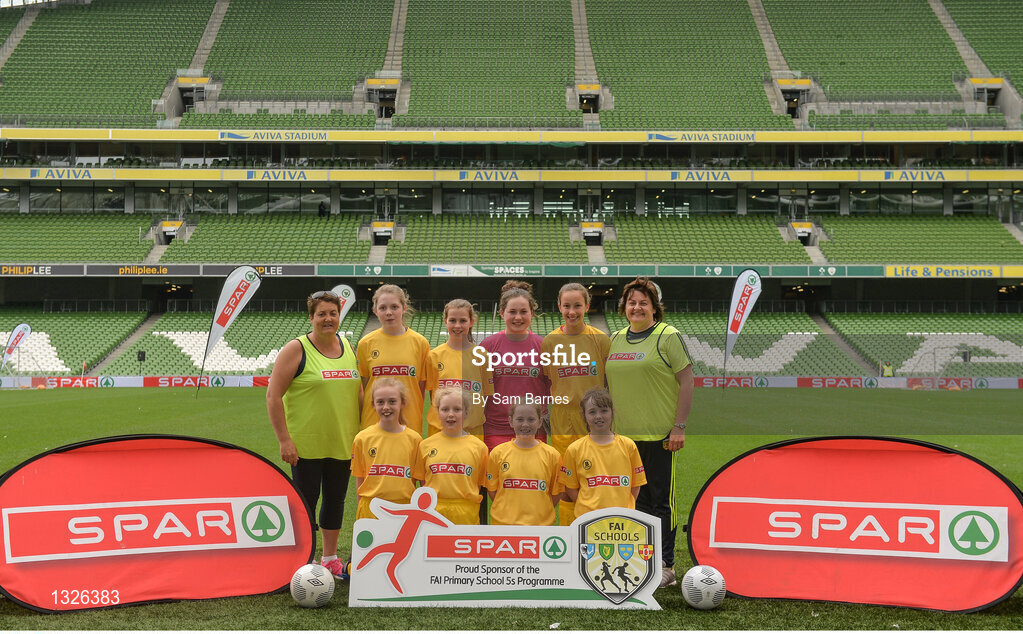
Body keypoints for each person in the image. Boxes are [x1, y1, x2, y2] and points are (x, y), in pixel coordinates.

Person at [604, 276, 693, 588]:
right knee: (634, 500)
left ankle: (666, 564)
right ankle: (642, 559)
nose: (637, 307)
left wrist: (679, 426)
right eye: (632, 302)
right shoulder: (615, 338)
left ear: (655, 308)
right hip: (623, 439)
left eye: (644, 302)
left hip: (659, 436)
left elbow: (687, 381)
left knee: (660, 502)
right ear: (624, 307)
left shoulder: (667, 336)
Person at [266, 290, 361, 579]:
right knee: (305, 504)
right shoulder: (296, 349)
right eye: (321, 314)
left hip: (342, 442)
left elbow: (357, 394)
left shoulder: (348, 347)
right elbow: (273, 396)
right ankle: (300, 560)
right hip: (305, 446)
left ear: (339, 316)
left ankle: (329, 558)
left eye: (333, 313)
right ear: (311, 317)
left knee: (335, 501)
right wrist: (284, 440)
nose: (328, 319)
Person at [542, 282, 610, 525]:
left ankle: (593, 526)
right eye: (567, 306)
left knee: (592, 475)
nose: (572, 311)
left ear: (587, 306)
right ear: (559, 306)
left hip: (593, 419)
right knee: (565, 478)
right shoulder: (550, 342)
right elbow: (548, 379)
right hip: (562, 418)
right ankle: (569, 531)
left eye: (578, 305)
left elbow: (608, 381)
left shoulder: (600, 340)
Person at [479, 280, 550, 450]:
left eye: (523, 311)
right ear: (502, 313)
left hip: (533, 430)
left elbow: (551, 389)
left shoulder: (544, 346)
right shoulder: (488, 346)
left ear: (531, 313)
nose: (518, 317)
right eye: (512, 312)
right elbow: (480, 392)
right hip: (496, 429)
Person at [559, 387, 646, 516]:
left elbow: (636, 485)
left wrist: (625, 508)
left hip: (621, 518)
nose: (598, 416)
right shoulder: (574, 449)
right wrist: (585, 508)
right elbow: (570, 487)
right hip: (588, 518)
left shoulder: (628, 446)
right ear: (583, 415)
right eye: (592, 412)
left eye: (604, 411)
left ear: (612, 412)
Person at [358, 284, 430, 433]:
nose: (389, 312)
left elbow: (420, 389)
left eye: (394, 307)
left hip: (409, 424)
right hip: (373, 423)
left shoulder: (420, 343)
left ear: (404, 308)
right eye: (383, 308)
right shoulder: (365, 343)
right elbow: (365, 387)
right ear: (375, 311)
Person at [412, 387, 489, 525]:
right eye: (445, 409)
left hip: (466, 513)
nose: (451, 414)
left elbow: (478, 484)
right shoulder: (425, 445)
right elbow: (423, 482)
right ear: (438, 412)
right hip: (433, 510)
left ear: (466, 412)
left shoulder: (479, 447)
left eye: (457, 409)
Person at [351, 378, 422, 520]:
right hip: (371, 509)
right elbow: (360, 481)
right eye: (380, 402)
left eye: (392, 401)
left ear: (403, 403)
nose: (386, 407)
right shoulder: (362, 439)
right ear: (373, 404)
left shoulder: (415, 440)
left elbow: (421, 482)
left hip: (404, 509)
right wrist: (361, 515)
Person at [485, 402, 562, 526]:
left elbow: (556, 494)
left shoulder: (552, 455)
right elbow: (492, 491)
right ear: (511, 421)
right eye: (520, 419)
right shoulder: (498, 453)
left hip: (540, 526)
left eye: (531, 419)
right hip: (504, 525)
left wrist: (540, 513)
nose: (525, 424)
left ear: (540, 422)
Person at [424, 299, 489, 438]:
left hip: (472, 430)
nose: (457, 325)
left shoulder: (482, 356)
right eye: (452, 320)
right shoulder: (434, 356)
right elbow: (433, 396)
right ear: (445, 321)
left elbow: (485, 395)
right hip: (440, 430)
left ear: (471, 322)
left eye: (463, 321)